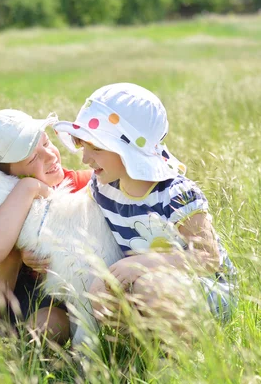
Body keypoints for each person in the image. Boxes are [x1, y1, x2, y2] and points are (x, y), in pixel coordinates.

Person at [52, 83, 237, 344]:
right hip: (148, 283)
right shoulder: (103, 187)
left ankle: (178, 359)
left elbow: (208, 258)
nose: (85, 159)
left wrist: (141, 264)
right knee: (101, 292)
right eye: (82, 146)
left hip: (206, 292)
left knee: (148, 287)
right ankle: (142, 350)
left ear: (129, 150)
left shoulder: (175, 194)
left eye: (96, 148)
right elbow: (71, 213)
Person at [0, 109, 91, 344]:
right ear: (2, 176)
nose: (50, 156)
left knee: (53, 325)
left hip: (31, 294)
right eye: (33, 158)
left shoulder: (76, 185)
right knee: (7, 255)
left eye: (46, 143)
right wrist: (29, 188)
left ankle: (14, 349)